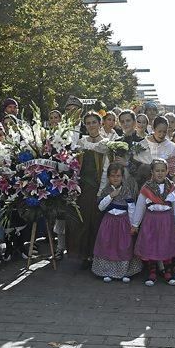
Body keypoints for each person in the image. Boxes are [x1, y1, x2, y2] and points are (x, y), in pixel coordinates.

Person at [67, 112, 108, 269]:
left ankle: (94, 254)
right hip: (81, 187)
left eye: (94, 122)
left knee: (96, 221)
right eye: (88, 123)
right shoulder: (81, 143)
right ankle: (83, 254)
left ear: (99, 124)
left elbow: (105, 169)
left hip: (97, 187)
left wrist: (101, 190)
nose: (91, 125)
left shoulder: (105, 144)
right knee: (82, 221)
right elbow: (74, 167)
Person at [131, 159, 175, 286]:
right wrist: (135, 224)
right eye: (157, 171)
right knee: (151, 244)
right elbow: (140, 206)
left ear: (167, 171)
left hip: (166, 220)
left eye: (163, 170)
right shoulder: (147, 187)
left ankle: (168, 272)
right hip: (151, 220)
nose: (160, 173)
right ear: (152, 172)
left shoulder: (171, 187)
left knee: (166, 244)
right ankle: (152, 273)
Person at [92, 162, 142, 283]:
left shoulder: (126, 190)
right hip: (108, 222)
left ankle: (124, 272)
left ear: (122, 177)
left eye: (118, 176)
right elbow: (101, 207)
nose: (116, 178)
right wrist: (110, 196)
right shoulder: (106, 190)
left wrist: (133, 225)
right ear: (109, 177)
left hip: (123, 223)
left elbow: (131, 208)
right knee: (107, 245)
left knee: (123, 247)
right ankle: (107, 271)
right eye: (113, 176)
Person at [134, 116, 175, 181]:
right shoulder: (142, 144)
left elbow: (174, 171)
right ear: (153, 129)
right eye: (159, 131)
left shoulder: (172, 146)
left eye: (164, 132)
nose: (162, 134)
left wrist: (171, 188)